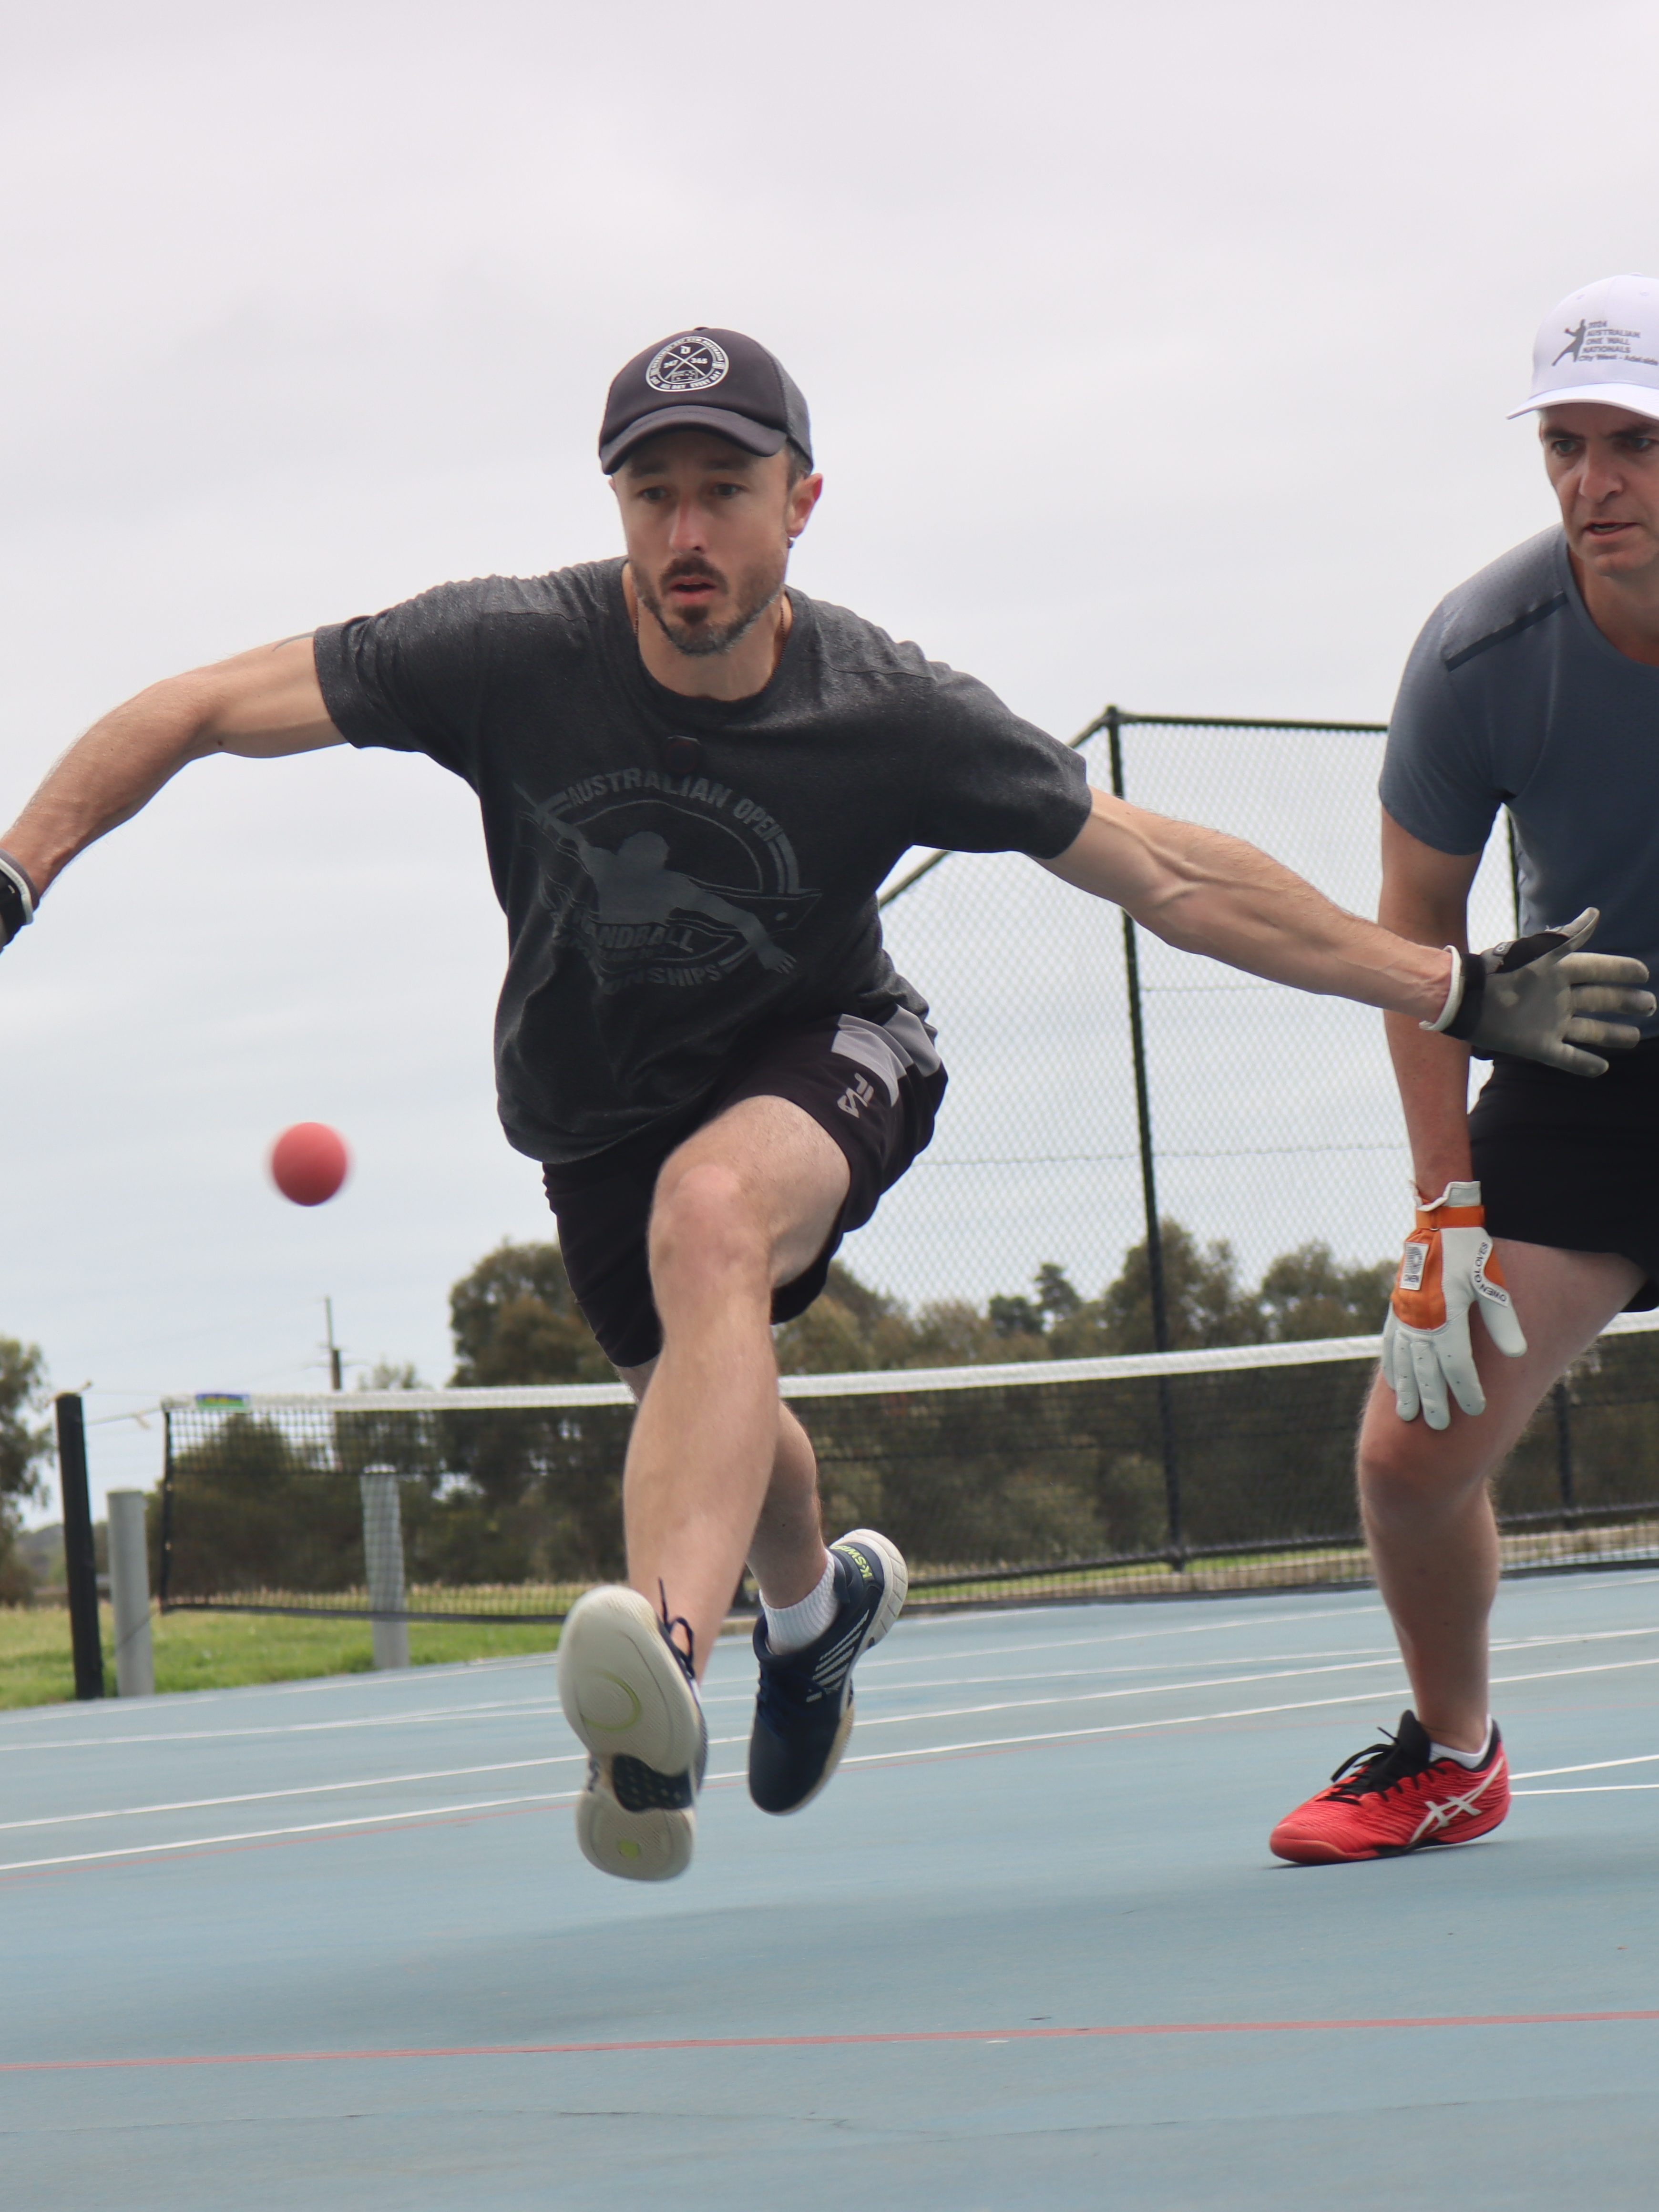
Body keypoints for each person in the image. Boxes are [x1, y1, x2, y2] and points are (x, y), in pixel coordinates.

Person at [0, 327, 1644, 1885]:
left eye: (725, 490)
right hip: (592, 1112)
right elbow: (195, 708)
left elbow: (1167, 873)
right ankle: (812, 1608)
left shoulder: (888, 710)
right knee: (728, 1415)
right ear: (616, 508)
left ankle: (663, 1678)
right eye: (652, 493)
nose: (687, 532)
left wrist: (1442, 986)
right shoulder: (502, 652)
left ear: (801, 502)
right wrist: (19, 868)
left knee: (712, 1219)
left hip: (835, 1049)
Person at [1270, 273, 1659, 1864]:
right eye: (1566, 445)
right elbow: (1414, 940)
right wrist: (1444, 1208)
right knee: (1408, 1453)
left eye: (1635, 442)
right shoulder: (1481, 652)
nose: (1595, 483)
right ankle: (1451, 1756)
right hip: (1594, 1054)